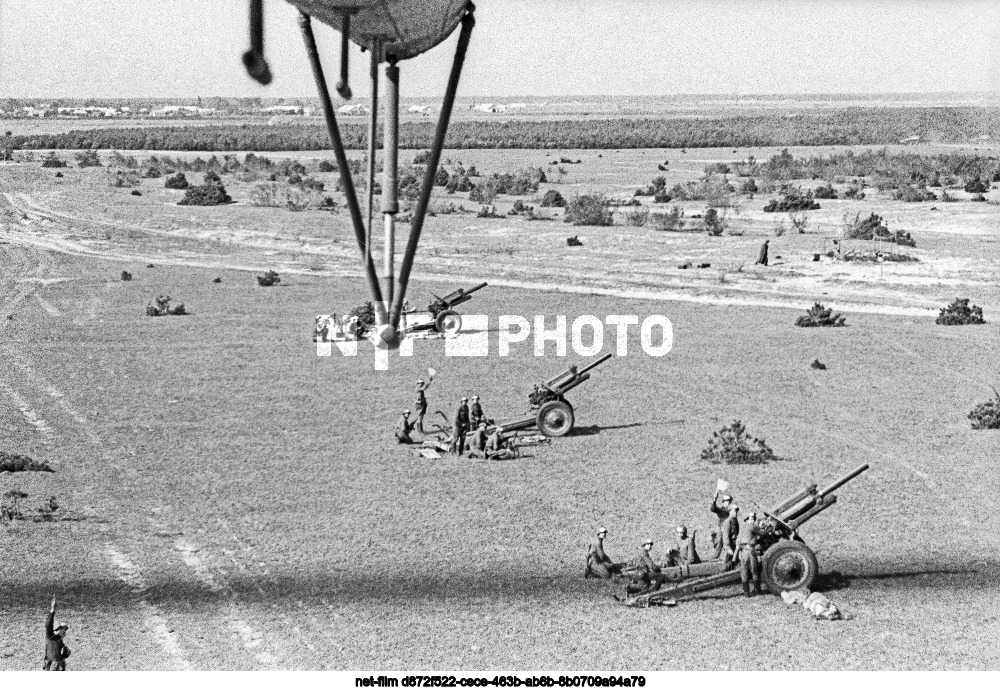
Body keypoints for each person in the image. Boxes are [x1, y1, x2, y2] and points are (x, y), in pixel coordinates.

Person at [737, 512, 764, 597]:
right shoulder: (751, 527)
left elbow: (738, 540)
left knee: (744, 572)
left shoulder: (742, 527)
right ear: (747, 519)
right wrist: (768, 530)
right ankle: (758, 591)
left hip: (742, 552)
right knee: (755, 571)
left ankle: (746, 593)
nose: (753, 520)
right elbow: (762, 533)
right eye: (751, 519)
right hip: (750, 551)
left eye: (754, 519)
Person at [43, 598, 70, 671]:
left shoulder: (58, 639)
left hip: (59, 667)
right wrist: (52, 610)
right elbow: (49, 625)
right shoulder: (51, 636)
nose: (64, 631)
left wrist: (66, 653)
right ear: (57, 629)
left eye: (65, 629)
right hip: (52, 667)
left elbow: (61, 654)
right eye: (62, 628)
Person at [710, 491, 733, 558]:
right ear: (723, 501)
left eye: (729, 500)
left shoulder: (733, 509)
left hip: (730, 529)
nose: (728, 502)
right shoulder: (721, 510)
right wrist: (715, 499)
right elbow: (713, 508)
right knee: (719, 542)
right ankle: (716, 556)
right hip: (722, 528)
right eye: (726, 501)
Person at [721, 505, 740, 571]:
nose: (736, 512)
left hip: (735, 544)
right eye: (734, 511)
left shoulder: (735, 521)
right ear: (730, 511)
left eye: (737, 511)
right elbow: (726, 536)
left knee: (735, 562)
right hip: (730, 545)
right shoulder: (727, 522)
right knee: (727, 563)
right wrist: (728, 547)